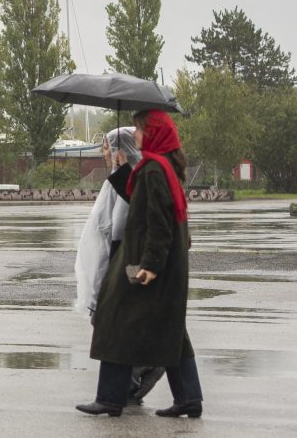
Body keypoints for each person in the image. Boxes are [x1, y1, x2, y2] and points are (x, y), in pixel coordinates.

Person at [77, 109, 204, 419]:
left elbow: (158, 223)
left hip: (145, 265)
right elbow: (142, 201)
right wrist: (121, 169)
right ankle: (189, 397)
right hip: (166, 266)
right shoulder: (162, 167)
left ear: (154, 134)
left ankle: (110, 398)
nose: (135, 134)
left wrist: (150, 266)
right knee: (171, 329)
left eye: (139, 129)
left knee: (115, 320)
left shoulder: (152, 170)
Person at [74, 128, 164, 404]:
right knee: (119, 323)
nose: (103, 153)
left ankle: (132, 377)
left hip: (120, 260)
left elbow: (117, 229)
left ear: (119, 150)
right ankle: (130, 380)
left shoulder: (131, 180)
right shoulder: (122, 179)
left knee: (112, 323)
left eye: (107, 147)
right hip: (115, 259)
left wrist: (109, 272)